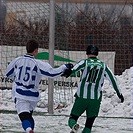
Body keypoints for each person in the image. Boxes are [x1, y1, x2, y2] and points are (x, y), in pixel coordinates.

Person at [5, 40, 73, 133]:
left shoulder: (17, 60)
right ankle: (30, 129)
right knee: (29, 116)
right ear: (36, 50)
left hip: (20, 94)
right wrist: (64, 67)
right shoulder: (38, 64)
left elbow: (8, 73)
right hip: (33, 96)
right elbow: (52, 73)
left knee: (24, 117)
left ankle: (29, 130)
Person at [62, 44, 124, 133]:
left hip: (82, 97)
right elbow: (113, 80)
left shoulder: (84, 62)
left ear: (87, 53)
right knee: (89, 125)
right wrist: (119, 94)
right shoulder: (103, 66)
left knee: (72, 118)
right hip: (95, 99)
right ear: (97, 54)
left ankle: (74, 126)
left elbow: (73, 70)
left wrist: (68, 73)